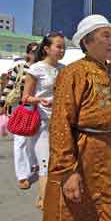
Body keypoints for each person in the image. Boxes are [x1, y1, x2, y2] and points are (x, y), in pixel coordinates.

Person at [43, 14, 111, 221]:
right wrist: (67, 171)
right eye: (106, 36)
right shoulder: (74, 73)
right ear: (86, 41)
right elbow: (60, 123)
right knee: (80, 208)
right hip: (84, 153)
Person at [23, 33, 65, 209]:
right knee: (45, 163)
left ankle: (52, 198)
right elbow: (25, 97)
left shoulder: (64, 68)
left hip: (62, 122)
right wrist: (40, 100)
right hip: (42, 123)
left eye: (63, 47)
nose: (62, 50)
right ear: (47, 48)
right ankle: (45, 201)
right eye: (58, 46)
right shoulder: (36, 69)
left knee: (60, 162)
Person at [0, 42, 39, 189]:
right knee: (21, 141)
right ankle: (22, 175)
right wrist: (2, 104)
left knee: (33, 140)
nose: (37, 53)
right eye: (34, 51)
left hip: (39, 108)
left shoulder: (44, 67)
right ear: (28, 53)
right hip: (20, 108)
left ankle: (33, 163)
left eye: (39, 50)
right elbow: (9, 86)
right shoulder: (20, 67)